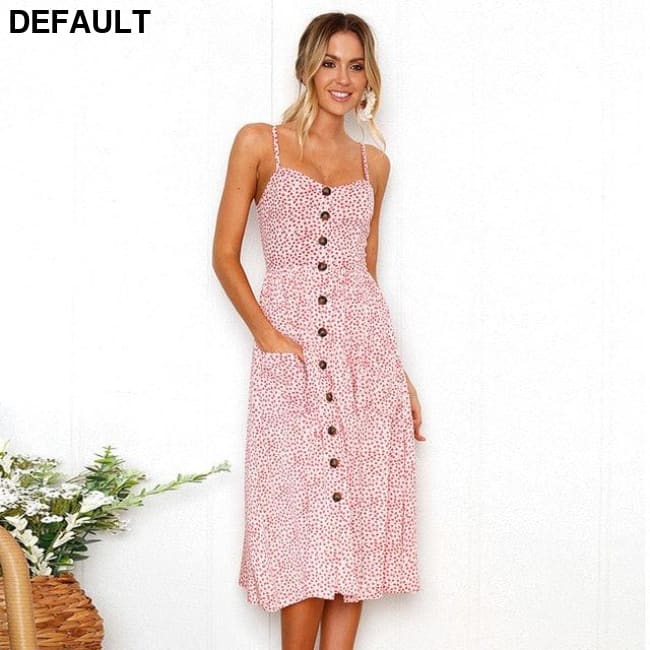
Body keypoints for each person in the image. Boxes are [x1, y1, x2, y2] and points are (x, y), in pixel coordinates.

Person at [212, 12, 425, 650]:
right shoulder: (260, 143)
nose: (343, 78)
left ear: (370, 78)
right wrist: (269, 337)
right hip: (292, 357)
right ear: (307, 67)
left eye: (356, 65)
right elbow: (224, 256)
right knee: (297, 529)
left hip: (365, 362)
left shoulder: (374, 164)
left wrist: (398, 374)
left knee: (354, 527)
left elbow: (365, 273)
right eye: (330, 62)